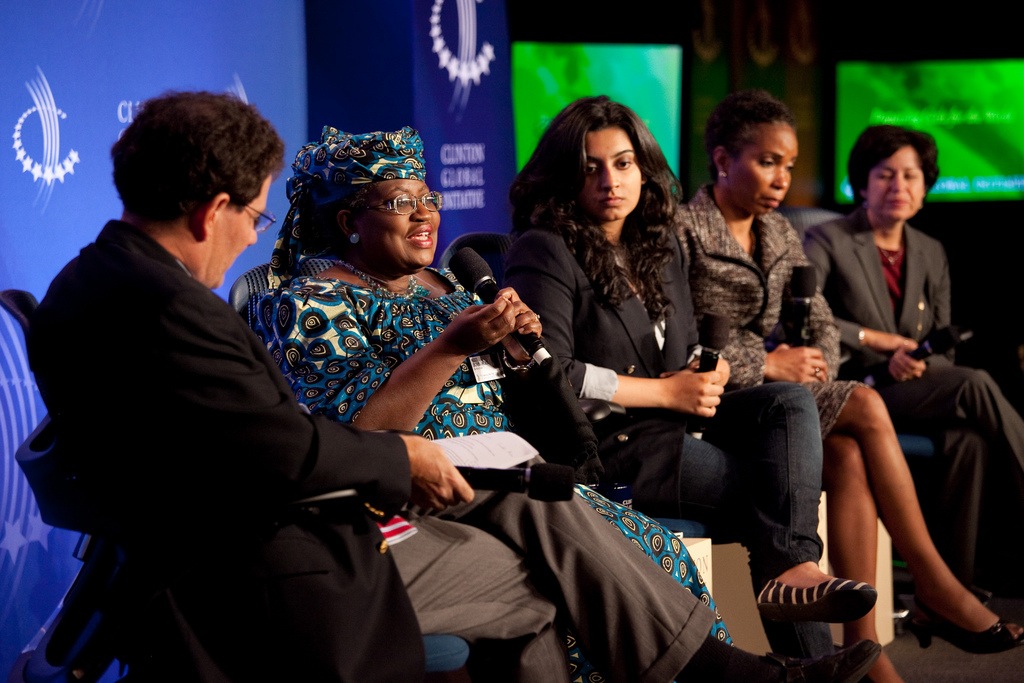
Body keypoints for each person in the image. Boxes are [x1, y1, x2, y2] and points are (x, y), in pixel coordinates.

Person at [249, 124, 881, 683]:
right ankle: (732, 668)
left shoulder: (443, 282)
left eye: (429, 199)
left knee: (592, 545)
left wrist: (520, 352)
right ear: (346, 222)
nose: (424, 216)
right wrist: (449, 347)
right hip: (413, 495)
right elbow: (355, 438)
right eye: (399, 203)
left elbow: (510, 386)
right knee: (559, 522)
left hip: (508, 472)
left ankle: (756, 647)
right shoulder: (306, 303)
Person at [25, 91, 445, 681]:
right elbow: (289, 453)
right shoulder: (170, 309)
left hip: (190, 564)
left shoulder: (84, 281)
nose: (253, 240)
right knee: (534, 582)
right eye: (253, 218)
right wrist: (403, 456)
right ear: (212, 211)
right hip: (263, 583)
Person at [501, 94, 877, 663]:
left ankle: (795, 573)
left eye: (623, 163)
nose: (611, 181)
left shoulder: (657, 241)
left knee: (788, 403)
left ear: (643, 167)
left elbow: (681, 345)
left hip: (674, 420)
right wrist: (663, 392)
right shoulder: (545, 248)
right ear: (564, 176)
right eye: (591, 167)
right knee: (766, 492)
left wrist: (710, 365)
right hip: (612, 441)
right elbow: (548, 368)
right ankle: (811, 656)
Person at [674, 88, 1024, 683]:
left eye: (788, 165)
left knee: (846, 449)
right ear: (723, 160)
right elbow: (677, 340)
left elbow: (818, 327)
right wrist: (771, 362)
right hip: (716, 398)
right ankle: (938, 587)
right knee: (862, 401)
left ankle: (866, 648)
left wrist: (813, 362)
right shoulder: (682, 231)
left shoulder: (780, 233)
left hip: (784, 402)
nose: (782, 177)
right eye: (767, 162)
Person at [802, 124, 1024, 591]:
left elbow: (944, 343)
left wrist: (917, 362)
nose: (898, 186)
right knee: (974, 383)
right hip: (857, 387)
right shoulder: (827, 239)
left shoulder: (930, 249)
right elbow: (805, 317)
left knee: (969, 442)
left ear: (925, 187)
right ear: (863, 183)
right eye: (885, 175)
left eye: (911, 176)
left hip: (915, 387)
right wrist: (882, 344)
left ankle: (946, 591)